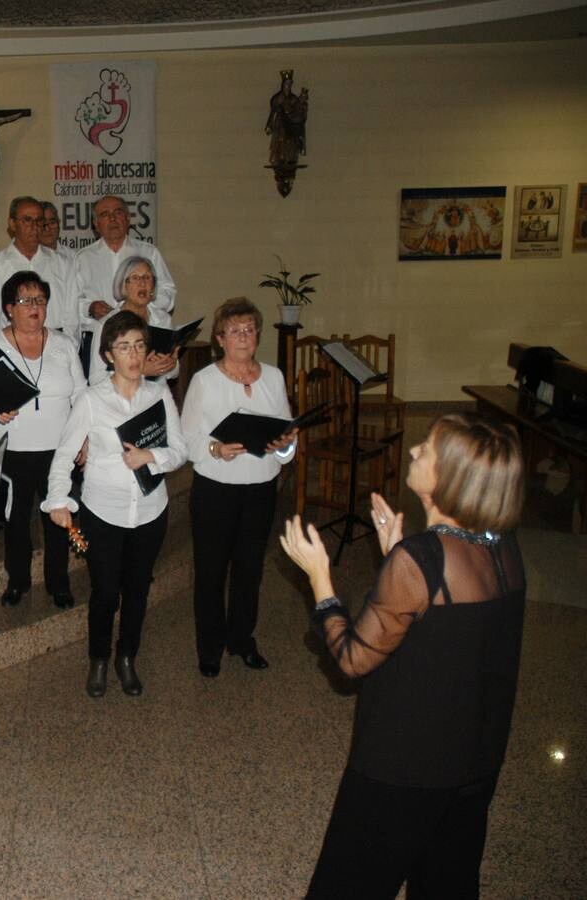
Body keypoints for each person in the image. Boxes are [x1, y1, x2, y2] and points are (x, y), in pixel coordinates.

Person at [279, 413, 526, 898]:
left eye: (428, 450)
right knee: (444, 883)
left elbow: (352, 659)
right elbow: (448, 640)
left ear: (450, 478)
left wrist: (319, 578)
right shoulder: (504, 549)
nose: (414, 451)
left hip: (403, 767)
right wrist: (396, 550)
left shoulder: (421, 560)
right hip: (473, 766)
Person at [43, 311, 188, 698]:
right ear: (109, 355)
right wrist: (58, 499)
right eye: (124, 347)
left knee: (138, 590)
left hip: (150, 511)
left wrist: (150, 457)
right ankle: (99, 660)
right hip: (102, 511)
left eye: (140, 345)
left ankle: (127, 658)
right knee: (105, 592)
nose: (134, 355)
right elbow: (64, 454)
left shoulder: (159, 395)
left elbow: (180, 451)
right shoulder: (92, 399)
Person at [179, 297, 296, 678]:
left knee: (250, 570)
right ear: (220, 339)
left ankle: (242, 640)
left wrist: (283, 446)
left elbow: (288, 437)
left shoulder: (274, 378)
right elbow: (187, 440)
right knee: (211, 571)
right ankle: (210, 648)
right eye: (235, 330)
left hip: (261, 490)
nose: (243, 336)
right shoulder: (204, 380)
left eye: (249, 329)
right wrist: (214, 448)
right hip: (216, 490)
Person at [0, 271, 84, 610]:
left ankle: (59, 582)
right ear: (9, 308)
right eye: (26, 301)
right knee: (16, 522)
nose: (35, 307)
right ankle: (17, 582)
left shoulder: (65, 344)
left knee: (58, 516)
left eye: (40, 300)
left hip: (59, 450)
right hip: (13, 451)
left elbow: (82, 396)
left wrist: (84, 440)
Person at [68, 195, 176, 337]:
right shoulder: (83, 258)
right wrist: (90, 308)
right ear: (96, 224)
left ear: (127, 219)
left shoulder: (149, 252)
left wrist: (141, 303)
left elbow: (168, 294)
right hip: (98, 336)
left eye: (118, 212)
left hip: (142, 334)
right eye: (105, 214)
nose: (112, 218)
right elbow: (70, 304)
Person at [0, 196, 76, 336]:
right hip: (12, 346)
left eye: (39, 220)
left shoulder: (62, 264)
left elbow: (72, 316)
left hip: (56, 344)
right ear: (12, 224)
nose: (34, 226)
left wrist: (64, 348)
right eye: (27, 220)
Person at [87, 256, 178, 385]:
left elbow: (172, 374)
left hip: (157, 397)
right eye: (135, 278)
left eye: (147, 277)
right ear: (123, 285)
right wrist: (141, 371)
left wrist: (172, 365)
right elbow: (96, 378)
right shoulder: (106, 324)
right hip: (121, 401)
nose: (142, 283)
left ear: (153, 286)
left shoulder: (163, 319)